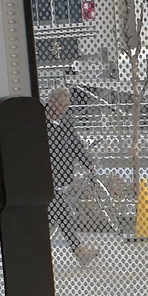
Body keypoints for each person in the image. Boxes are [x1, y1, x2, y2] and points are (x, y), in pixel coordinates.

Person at [44, 86, 98, 266]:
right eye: (61, 105)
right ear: (51, 102)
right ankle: (80, 251)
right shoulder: (39, 122)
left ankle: (77, 251)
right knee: (63, 212)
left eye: (66, 106)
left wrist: (88, 163)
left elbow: (75, 144)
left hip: (61, 177)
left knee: (57, 215)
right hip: (44, 179)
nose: (63, 109)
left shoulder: (66, 120)